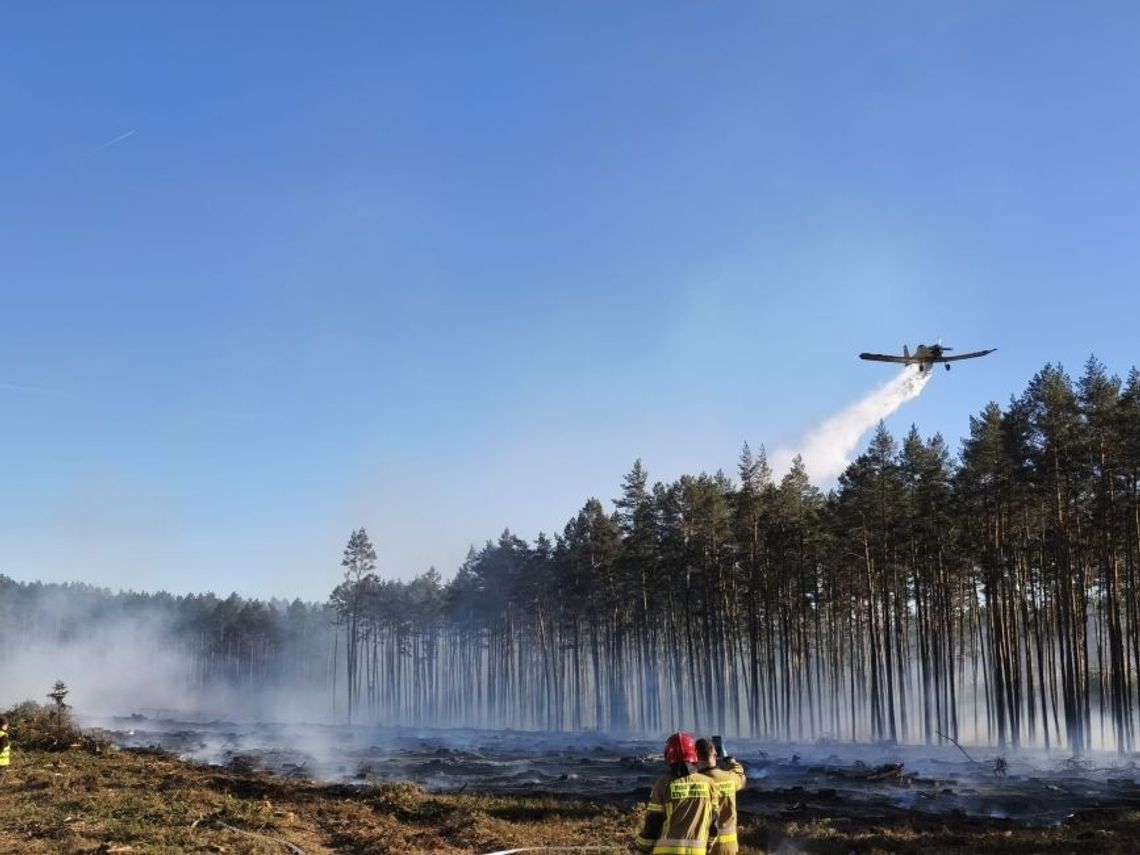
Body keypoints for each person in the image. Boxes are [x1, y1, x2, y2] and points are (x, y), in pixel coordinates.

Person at [633, 731, 719, 855]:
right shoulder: (709, 784)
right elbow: (714, 822)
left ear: (668, 756)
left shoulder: (663, 784)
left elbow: (653, 823)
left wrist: (641, 846)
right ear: (694, 754)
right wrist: (709, 844)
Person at [695, 737, 746, 855]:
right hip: (729, 847)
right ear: (715, 754)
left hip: (703, 847)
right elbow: (740, 776)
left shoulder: (694, 782)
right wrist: (730, 760)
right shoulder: (730, 778)